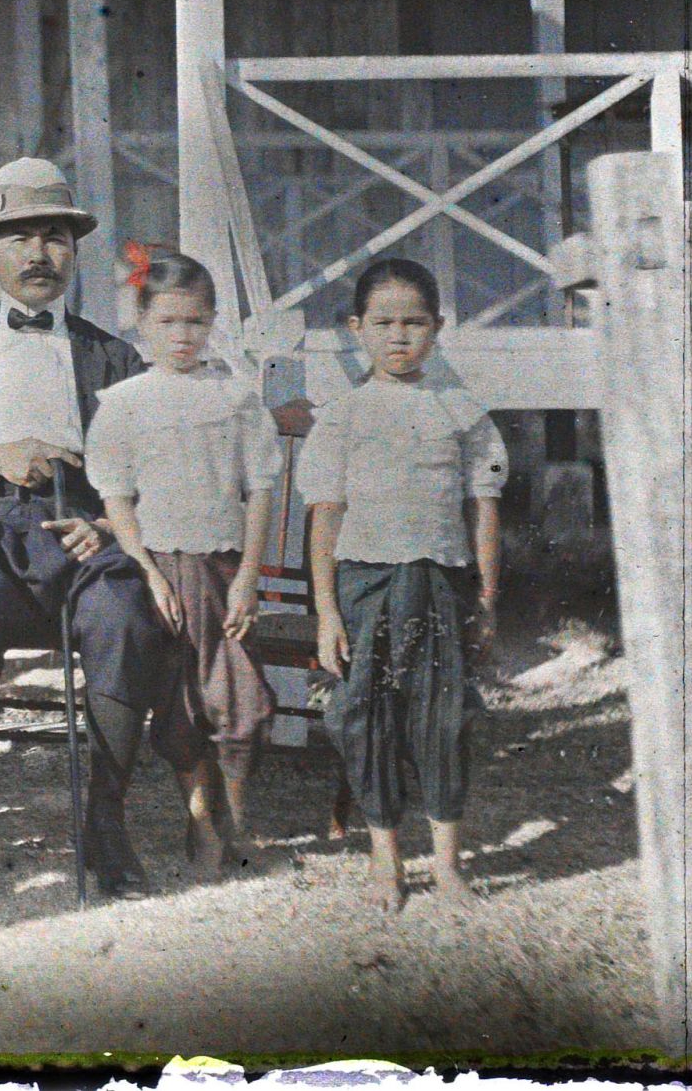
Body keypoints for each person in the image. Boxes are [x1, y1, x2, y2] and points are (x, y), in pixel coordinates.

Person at [0, 157, 202, 907]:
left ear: (74, 251)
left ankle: (106, 822)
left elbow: (157, 469)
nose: (38, 254)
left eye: (55, 238)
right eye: (20, 238)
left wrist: (104, 521)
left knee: (127, 617)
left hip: (87, 533)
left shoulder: (114, 356)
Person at [299, 257, 507, 914]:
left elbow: (484, 507)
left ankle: (446, 864)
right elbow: (325, 517)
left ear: (437, 328)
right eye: (383, 322)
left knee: (444, 719)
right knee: (367, 717)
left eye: (414, 322)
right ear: (357, 328)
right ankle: (385, 860)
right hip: (364, 583)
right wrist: (328, 612)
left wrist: (486, 601)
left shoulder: (462, 413)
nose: (399, 336)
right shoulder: (344, 415)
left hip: (440, 583)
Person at [84, 251, 283, 877]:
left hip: (223, 569)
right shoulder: (123, 401)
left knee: (237, 699)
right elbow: (116, 497)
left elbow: (260, 490)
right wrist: (145, 569)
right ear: (144, 321)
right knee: (181, 704)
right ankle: (202, 824)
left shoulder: (234, 396)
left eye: (195, 323)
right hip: (158, 572)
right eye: (168, 322)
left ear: (212, 322)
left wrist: (250, 575)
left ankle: (234, 821)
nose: (181, 336)